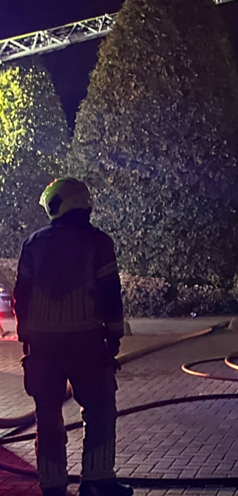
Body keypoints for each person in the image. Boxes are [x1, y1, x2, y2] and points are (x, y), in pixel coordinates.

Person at [14, 178, 132, 496]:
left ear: (57, 205)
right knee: (100, 409)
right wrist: (115, 335)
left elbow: (20, 296)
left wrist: (25, 334)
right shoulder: (99, 243)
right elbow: (110, 293)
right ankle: (97, 480)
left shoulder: (33, 243)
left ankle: (52, 485)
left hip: (42, 347)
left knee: (48, 415)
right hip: (87, 344)